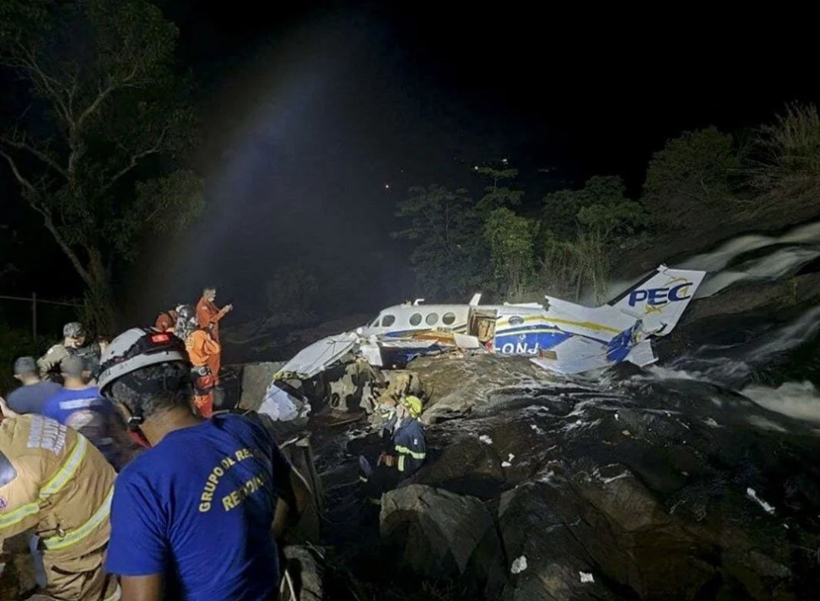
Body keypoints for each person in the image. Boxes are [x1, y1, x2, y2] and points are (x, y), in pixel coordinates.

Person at [97, 327, 312, 601]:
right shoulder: (243, 427)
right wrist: (262, 544)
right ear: (189, 383)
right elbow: (299, 496)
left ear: (126, 410)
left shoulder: (141, 483)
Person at [0, 413, 120, 600]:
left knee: (77, 595)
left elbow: (7, 534)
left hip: (81, 547)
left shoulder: (9, 469)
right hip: (110, 512)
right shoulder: (24, 424)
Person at [42, 355, 135, 472]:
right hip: (109, 459)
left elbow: (51, 439)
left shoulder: (52, 403)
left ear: (63, 374)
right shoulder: (101, 395)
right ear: (85, 373)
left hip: (77, 463)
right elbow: (117, 427)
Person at [359, 394, 427, 502]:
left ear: (408, 411)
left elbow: (417, 458)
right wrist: (384, 452)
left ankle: (377, 502)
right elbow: (387, 421)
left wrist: (395, 461)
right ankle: (364, 488)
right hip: (389, 456)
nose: (398, 407)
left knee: (378, 478)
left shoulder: (414, 430)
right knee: (365, 455)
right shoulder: (398, 419)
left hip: (400, 467)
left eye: (402, 406)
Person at [177, 305, 221, 418]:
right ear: (190, 319)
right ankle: (207, 420)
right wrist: (208, 335)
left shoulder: (182, 335)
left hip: (190, 371)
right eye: (195, 316)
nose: (197, 318)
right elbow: (215, 349)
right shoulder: (200, 334)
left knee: (195, 398)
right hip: (203, 373)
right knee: (205, 400)